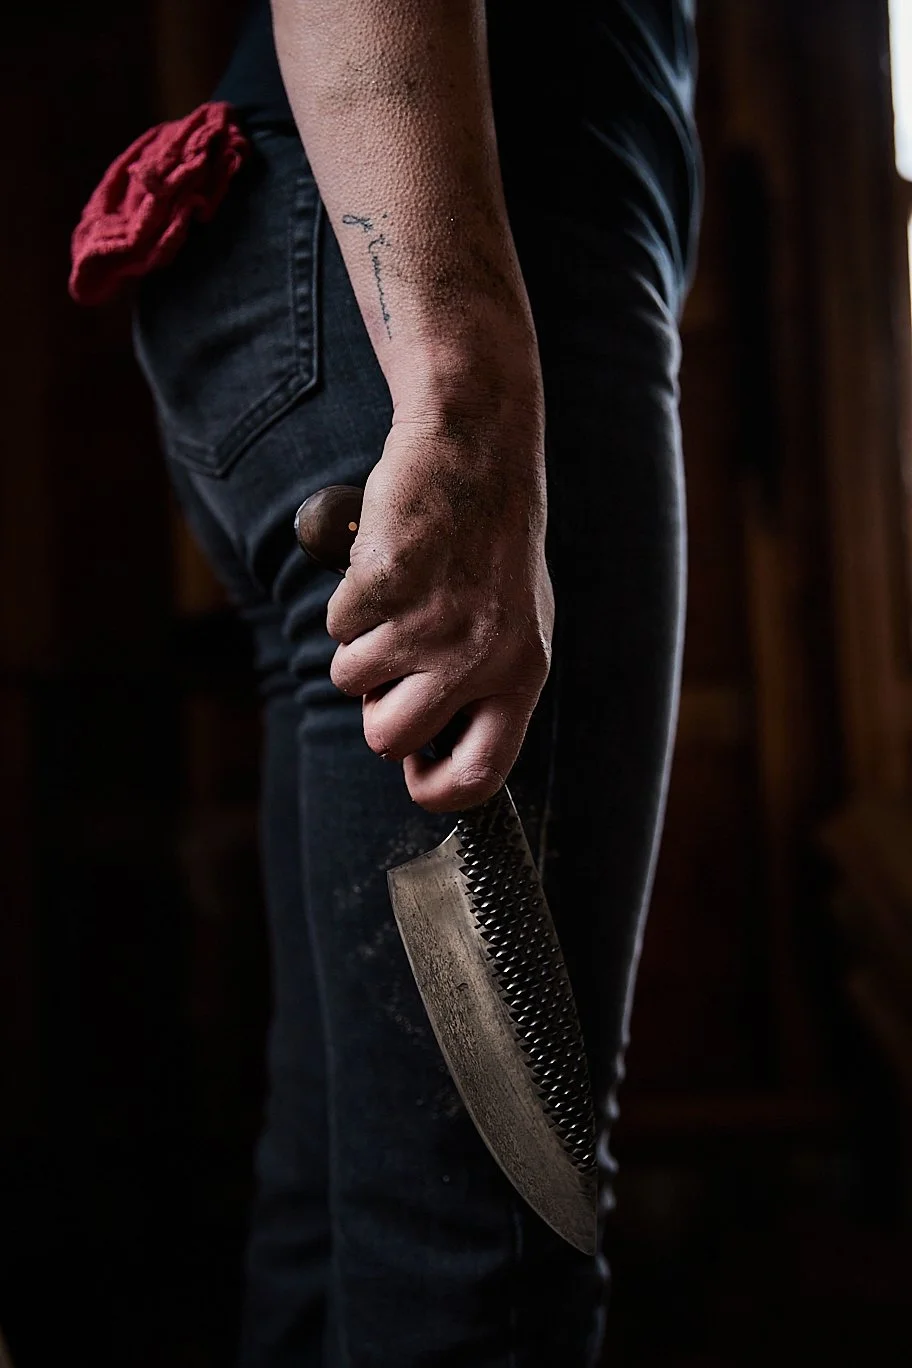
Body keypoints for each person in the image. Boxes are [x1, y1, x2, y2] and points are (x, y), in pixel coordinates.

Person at [127, 1, 700, 1362]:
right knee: (485, 1252)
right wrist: (455, 384)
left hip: (312, 294)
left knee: (348, 1209)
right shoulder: (464, 340)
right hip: (435, 271)